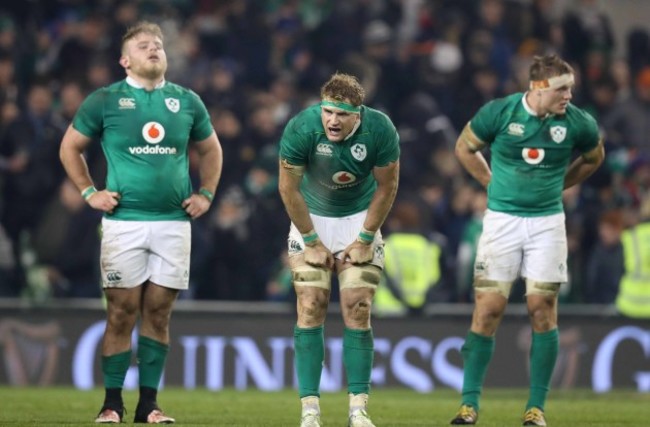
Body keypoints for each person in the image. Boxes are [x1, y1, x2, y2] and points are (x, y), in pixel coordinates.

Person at [59, 21, 223, 424]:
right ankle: (111, 403)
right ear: (124, 59)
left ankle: (148, 405)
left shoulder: (187, 101)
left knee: (160, 313)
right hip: (124, 222)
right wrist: (89, 192)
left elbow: (212, 148)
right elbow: (70, 147)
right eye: (144, 45)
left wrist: (206, 193)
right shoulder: (105, 100)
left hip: (173, 223)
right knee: (121, 311)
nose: (154, 50)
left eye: (159, 45)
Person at [451, 54, 604, 426]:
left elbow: (594, 156)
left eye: (570, 87)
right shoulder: (500, 113)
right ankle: (468, 406)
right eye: (561, 88)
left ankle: (536, 409)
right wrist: (491, 183)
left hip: (547, 224)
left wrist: (561, 183)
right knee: (488, 310)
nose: (569, 94)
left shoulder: (577, 122)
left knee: (542, 308)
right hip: (501, 222)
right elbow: (464, 148)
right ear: (537, 88)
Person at [278, 72, 400, 427]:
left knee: (358, 307)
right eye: (328, 111)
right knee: (310, 304)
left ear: (358, 113)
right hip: (311, 219)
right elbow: (289, 190)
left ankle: (358, 411)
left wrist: (364, 238)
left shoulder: (381, 130)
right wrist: (312, 241)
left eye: (342, 114)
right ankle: (310, 413)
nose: (332, 120)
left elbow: (387, 188)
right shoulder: (301, 128)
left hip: (359, 219)